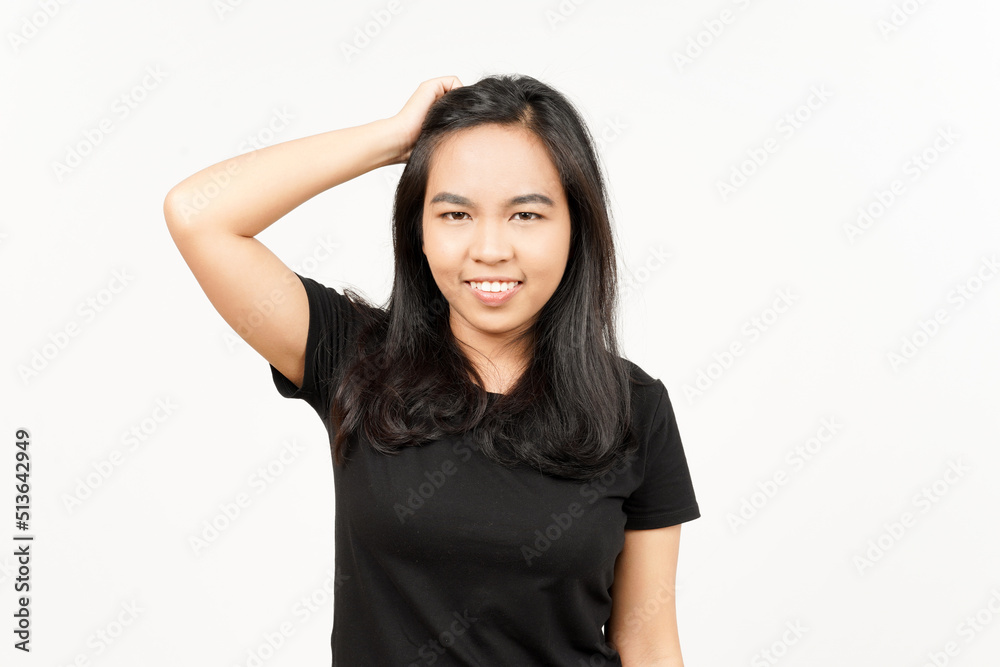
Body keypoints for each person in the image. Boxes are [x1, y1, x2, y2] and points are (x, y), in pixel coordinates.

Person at [163, 73, 700, 666]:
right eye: (455, 214)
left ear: (576, 227)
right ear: (417, 228)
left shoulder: (634, 407)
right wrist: (395, 140)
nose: (490, 249)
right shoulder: (354, 358)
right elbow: (198, 215)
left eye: (526, 215)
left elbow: (648, 642)